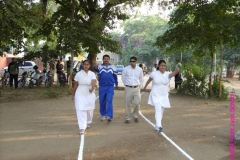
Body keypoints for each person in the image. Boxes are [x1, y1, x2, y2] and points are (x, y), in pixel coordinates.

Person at [143, 60, 179, 133]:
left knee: (161, 111)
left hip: (164, 95)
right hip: (155, 94)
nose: (163, 67)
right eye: (161, 65)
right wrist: (145, 86)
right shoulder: (154, 74)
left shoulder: (167, 74)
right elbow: (149, 80)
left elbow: (172, 74)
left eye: (164, 65)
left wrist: (176, 71)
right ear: (158, 66)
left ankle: (157, 125)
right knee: (158, 109)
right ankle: (159, 126)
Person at [72, 60, 97, 135]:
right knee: (80, 109)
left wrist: (92, 88)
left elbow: (93, 82)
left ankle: (88, 121)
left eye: (87, 64)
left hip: (89, 92)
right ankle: (82, 127)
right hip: (80, 91)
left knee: (90, 109)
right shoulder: (78, 74)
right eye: (85, 64)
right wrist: (73, 94)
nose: (86, 66)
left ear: (89, 66)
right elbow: (75, 85)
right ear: (83, 65)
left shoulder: (92, 74)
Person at [94, 54, 118, 122]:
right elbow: (95, 70)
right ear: (103, 60)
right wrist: (95, 67)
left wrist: (116, 83)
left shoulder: (112, 67)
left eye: (107, 58)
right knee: (102, 101)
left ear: (109, 59)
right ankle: (103, 114)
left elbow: (115, 76)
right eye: (105, 59)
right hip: (102, 86)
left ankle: (109, 116)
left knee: (109, 100)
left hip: (110, 86)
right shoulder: (100, 66)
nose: (106, 60)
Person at [122, 56, 143, 124]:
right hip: (128, 88)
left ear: (136, 62)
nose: (132, 63)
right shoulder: (126, 69)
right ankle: (128, 117)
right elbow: (123, 78)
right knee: (127, 103)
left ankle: (135, 115)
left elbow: (141, 79)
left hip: (136, 88)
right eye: (131, 61)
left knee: (137, 102)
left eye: (133, 61)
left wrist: (140, 86)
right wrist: (127, 84)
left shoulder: (139, 69)